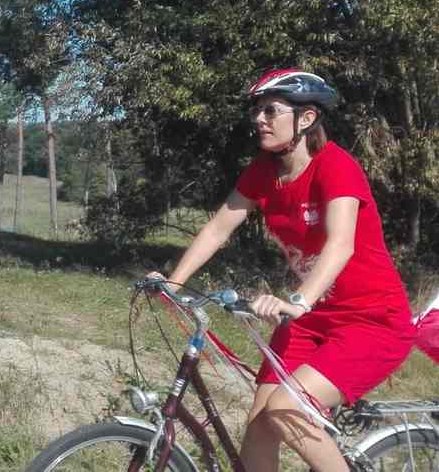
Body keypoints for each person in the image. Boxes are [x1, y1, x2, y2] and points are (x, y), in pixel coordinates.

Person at [150, 68, 416, 472]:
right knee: (261, 423)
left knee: (286, 409)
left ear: (306, 118)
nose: (260, 119)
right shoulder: (263, 170)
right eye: (257, 111)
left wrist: (299, 300)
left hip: (372, 321)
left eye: (271, 111)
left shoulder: (336, 166)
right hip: (311, 321)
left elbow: (340, 245)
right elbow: (219, 228)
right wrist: (173, 282)